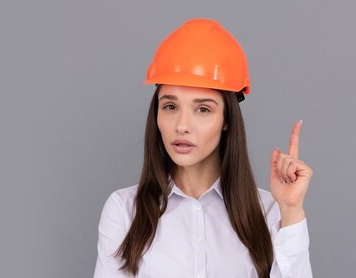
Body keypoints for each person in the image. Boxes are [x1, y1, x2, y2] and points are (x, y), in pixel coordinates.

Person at [93, 18, 313, 278]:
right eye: (170, 106)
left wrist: (290, 210)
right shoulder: (124, 210)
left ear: (227, 120)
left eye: (203, 109)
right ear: (157, 115)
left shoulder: (268, 210)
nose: (182, 126)